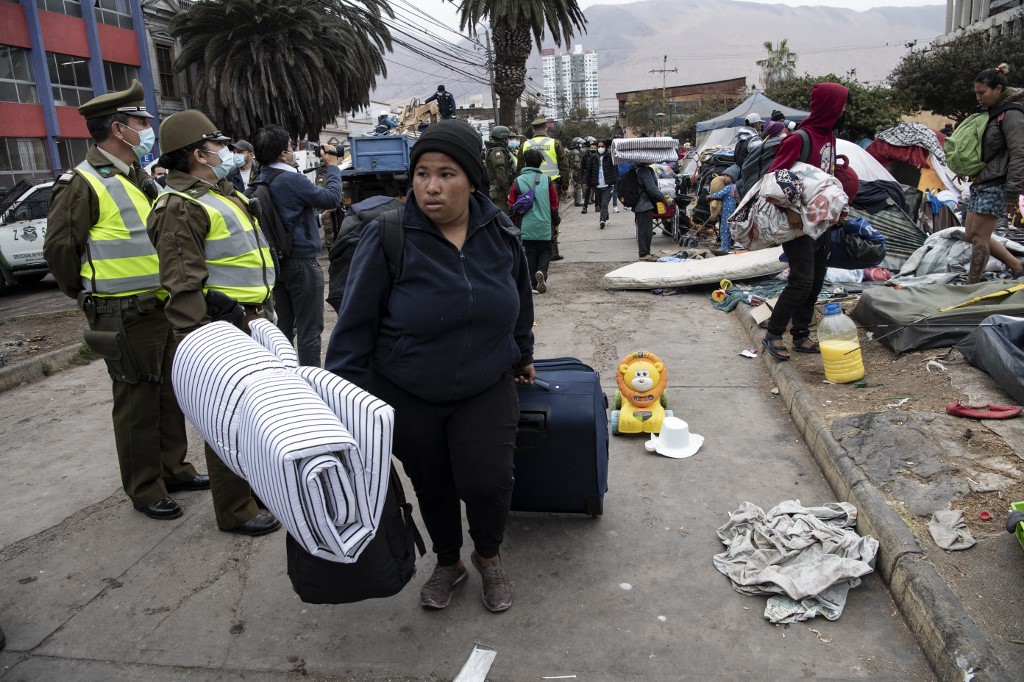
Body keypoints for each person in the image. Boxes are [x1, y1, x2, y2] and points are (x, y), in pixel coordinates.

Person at [325, 119, 535, 613]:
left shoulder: (500, 230)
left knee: (488, 480)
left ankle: (488, 557)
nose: (432, 186)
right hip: (409, 389)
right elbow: (353, 327)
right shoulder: (388, 236)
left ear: (472, 181)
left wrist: (522, 353)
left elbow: (519, 300)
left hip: (486, 383)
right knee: (432, 482)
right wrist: (344, 399)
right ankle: (448, 562)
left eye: (446, 174)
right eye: (422, 173)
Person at [43, 80, 208, 522]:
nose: (147, 129)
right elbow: (60, 248)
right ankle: (144, 487)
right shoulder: (82, 182)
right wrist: (82, 293)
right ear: (118, 128)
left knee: (171, 396)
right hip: (121, 311)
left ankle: (174, 468)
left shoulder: (136, 177)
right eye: (141, 123)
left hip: (159, 307)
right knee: (137, 402)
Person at [146, 109, 282, 536]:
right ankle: (235, 510)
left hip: (254, 318)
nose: (225, 151)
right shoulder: (179, 207)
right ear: (198, 154)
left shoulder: (219, 192)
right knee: (228, 420)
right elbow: (182, 283)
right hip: (224, 330)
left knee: (258, 415)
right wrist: (206, 342)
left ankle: (258, 488)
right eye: (217, 146)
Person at [762, 82, 850, 361]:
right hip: (798, 225)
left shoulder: (830, 138)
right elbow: (773, 179)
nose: (845, 109)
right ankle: (773, 334)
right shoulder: (799, 139)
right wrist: (791, 210)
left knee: (815, 282)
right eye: (841, 103)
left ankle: (801, 335)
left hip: (822, 224)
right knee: (801, 281)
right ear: (830, 106)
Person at [252, 124, 342, 366]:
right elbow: (332, 198)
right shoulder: (290, 179)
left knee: (283, 328)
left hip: (279, 264)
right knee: (309, 330)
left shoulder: (262, 178)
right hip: (302, 264)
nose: (292, 152)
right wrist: (332, 166)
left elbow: (282, 218)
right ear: (282, 153)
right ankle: (310, 381)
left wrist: (317, 220)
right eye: (290, 147)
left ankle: (287, 377)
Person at [964, 63, 1024, 283]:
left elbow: (1020, 153)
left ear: (998, 89)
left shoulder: (1012, 115)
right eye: (977, 93)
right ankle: (1017, 265)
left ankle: (971, 286)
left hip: (997, 184)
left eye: (983, 92)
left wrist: (1011, 192)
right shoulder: (993, 113)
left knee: (979, 237)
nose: (979, 97)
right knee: (970, 235)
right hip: (982, 181)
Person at [509, 148, 559, 293]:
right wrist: (555, 222)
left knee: (530, 253)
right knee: (546, 251)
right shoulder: (547, 180)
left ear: (525, 162)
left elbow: (512, 204)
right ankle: (542, 272)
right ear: (540, 164)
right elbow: (553, 204)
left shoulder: (517, 181)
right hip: (544, 223)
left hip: (526, 225)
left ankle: (532, 284)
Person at [633, 161, 669, 261]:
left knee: (645, 229)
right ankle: (643, 254)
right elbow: (652, 189)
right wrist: (662, 199)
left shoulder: (637, 170)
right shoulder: (644, 171)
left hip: (639, 203)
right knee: (645, 230)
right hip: (644, 204)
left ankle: (646, 252)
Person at [582, 139, 618, 229]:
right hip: (597, 185)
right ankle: (607, 217)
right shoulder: (593, 157)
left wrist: (615, 180)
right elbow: (588, 170)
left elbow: (615, 170)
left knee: (604, 203)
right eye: (599, 146)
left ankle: (602, 220)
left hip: (608, 185)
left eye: (602, 146)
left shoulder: (610, 157)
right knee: (602, 203)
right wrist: (584, 181)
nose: (600, 148)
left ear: (606, 147)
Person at [707, 167, 739, 252]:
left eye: (727, 176)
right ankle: (728, 246)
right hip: (733, 211)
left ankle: (725, 248)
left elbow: (719, 194)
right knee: (729, 230)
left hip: (727, 212)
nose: (724, 177)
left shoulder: (728, 187)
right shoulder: (735, 187)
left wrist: (710, 196)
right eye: (724, 175)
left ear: (732, 178)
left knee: (724, 230)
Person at [485, 125, 517, 206]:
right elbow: (501, 173)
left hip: (501, 190)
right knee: (504, 216)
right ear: (503, 138)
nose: (509, 140)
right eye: (508, 138)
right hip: (500, 192)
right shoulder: (496, 152)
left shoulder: (502, 150)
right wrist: (508, 192)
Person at [580, 138, 597, 213]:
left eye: (594, 148)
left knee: (597, 192)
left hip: (596, 176)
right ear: (589, 148)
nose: (593, 149)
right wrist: (583, 177)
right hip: (588, 177)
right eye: (591, 148)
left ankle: (597, 206)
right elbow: (582, 167)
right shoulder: (585, 156)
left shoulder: (598, 156)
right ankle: (585, 207)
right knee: (587, 192)